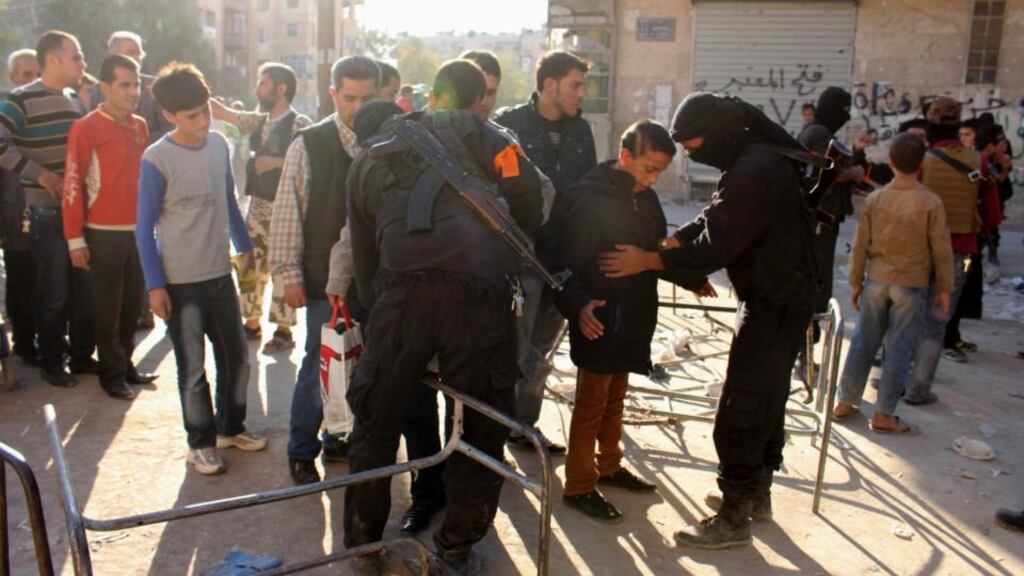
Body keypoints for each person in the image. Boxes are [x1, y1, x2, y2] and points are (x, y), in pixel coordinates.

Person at [343, 59, 542, 573]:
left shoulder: (366, 161)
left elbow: (365, 259)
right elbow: (531, 206)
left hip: (399, 295)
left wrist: (386, 316)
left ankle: (363, 542)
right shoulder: (491, 136)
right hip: (480, 295)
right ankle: (455, 546)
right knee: (481, 423)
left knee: (374, 419)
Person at [597, 93, 818, 549]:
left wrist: (650, 260)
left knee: (740, 408)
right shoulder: (752, 162)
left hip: (775, 301)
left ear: (719, 134)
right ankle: (755, 495)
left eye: (696, 147)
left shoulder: (755, 170)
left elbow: (717, 245)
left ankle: (734, 516)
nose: (694, 156)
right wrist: (673, 246)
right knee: (766, 402)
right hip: (782, 297)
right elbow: (714, 220)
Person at [137, 63, 264, 475]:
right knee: (193, 370)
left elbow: (228, 200)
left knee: (237, 359)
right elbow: (143, 229)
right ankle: (201, 443)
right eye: (192, 115)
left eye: (206, 110)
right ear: (170, 116)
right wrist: (155, 285)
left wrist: (244, 249)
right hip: (179, 283)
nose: (203, 120)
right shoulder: (156, 158)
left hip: (219, 275)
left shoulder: (218, 145)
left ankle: (231, 428)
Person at [546, 120, 674, 522]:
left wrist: (687, 270)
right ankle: (579, 485)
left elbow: (656, 247)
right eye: (648, 168)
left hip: (634, 317)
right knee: (591, 403)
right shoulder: (585, 197)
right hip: (598, 317)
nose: (653, 179)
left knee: (616, 396)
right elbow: (555, 260)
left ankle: (610, 466)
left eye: (660, 171)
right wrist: (579, 305)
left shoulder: (646, 199)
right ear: (624, 157)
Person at [268, 55, 379, 485]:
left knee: (359, 364)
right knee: (321, 364)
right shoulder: (308, 143)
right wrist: (287, 276)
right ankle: (301, 450)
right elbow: (287, 214)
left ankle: (340, 439)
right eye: (349, 97)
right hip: (321, 283)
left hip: (373, 283)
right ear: (333, 94)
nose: (358, 106)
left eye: (366, 98)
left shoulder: (385, 142)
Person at [494, 50, 597, 453]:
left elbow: (585, 191)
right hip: (520, 254)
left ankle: (523, 427)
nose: (580, 94)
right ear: (549, 84)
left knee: (543, 348)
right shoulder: (508, 125)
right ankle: (496, 426)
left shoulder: (581, 131)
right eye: (575, 85)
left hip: (564, 257)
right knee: (513, 347)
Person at [831, 133, 953, 434]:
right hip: (911, 285)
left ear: (890, 162)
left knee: (863, 342)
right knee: (899, 348)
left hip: (876, 280)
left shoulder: (876, 198)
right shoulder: (930, 202)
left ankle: (845, 401)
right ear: (921, 163)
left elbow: (860, 245)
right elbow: (941, 249)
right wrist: (944, 289)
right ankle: (884, 414)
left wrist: (855, 282)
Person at [0, 30, 95, 387]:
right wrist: (37, 174)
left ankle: (83, 358)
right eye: (77, 56)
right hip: (43, 211)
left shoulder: (74, 99)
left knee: (83, 288)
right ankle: (51, 362)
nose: (83, 64)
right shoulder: (19, 100)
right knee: (54, 289)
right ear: (52, 60)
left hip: (80, 212)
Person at [62, 54, 157, 400]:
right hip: (102, 232)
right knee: (107, 307)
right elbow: (73, 183)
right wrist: (75, 238)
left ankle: (126, 365)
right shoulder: (85, 127)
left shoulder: (140, 126)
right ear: (104, 87)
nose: (133, 91)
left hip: (139, 231)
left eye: (136, 84)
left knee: (133, 305)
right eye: (124, 85)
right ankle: (111, 375)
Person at [211, 63, 312, 355]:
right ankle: (252, 323)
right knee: (249, 264)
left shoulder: (299, 123)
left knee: (283, 268)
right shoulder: (259, 121)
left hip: (287, 210)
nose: (257, 89)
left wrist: (276, 163)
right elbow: (225, 113)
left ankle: (284, 331)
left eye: (263, 83)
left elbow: (309, 163)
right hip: (257, 208)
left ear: (281, 89)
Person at [906, 97, 995, 405]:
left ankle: (895, 381)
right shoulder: (978, 162)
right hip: (958, 252)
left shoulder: (922, 161)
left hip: (919, 250)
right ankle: (919, 389)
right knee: (936, 322)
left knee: (908, 316)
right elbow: (991, 211)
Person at [794, 87, 864, 381]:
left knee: (813, 287)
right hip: (818, 224)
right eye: (844, 109)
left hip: (819, 222)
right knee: (815, 289)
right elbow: (830, 170)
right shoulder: (820, 134)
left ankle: (803, 357)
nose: (846, 115)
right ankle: (804, 360)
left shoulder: (816, 131)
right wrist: (855, 173)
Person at [1, 49, 40, 367]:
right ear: (13, 78)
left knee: (50, 279)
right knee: (21, 279)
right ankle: (25, 344)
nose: (32, 80)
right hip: (15, 213)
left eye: (36, 73)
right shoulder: (8, 112)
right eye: (26, 74)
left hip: (46, 210)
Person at [90, 31, 171, 144]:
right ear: (114, 56)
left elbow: (169, 129)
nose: (137, 58)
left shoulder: (156, 86)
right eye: (131, 53)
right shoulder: (98, 90)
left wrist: (134, 139)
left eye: (139, 53)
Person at [459, 50, 500, 118]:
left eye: (490, 93)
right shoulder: (436, 127)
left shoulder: (501, 128)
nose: (483, 102)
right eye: (475, 92)